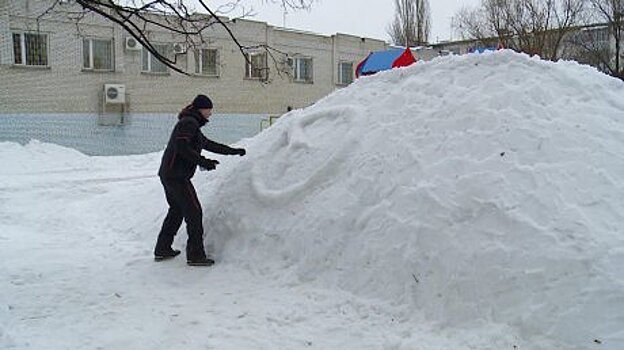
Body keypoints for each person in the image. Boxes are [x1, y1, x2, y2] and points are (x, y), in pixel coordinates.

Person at [155, 94, 246, 266]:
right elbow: (182, 146)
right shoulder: (188, 123)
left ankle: (162, 248)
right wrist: (203, 161)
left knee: (177, 210)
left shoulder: (191, 125)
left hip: (169, 174)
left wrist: (233, 151)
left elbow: (208, 144)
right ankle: (196, 255)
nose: (210, 113)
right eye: (209, 109)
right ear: (201, 109)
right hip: (177, 176)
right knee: (194, 213)